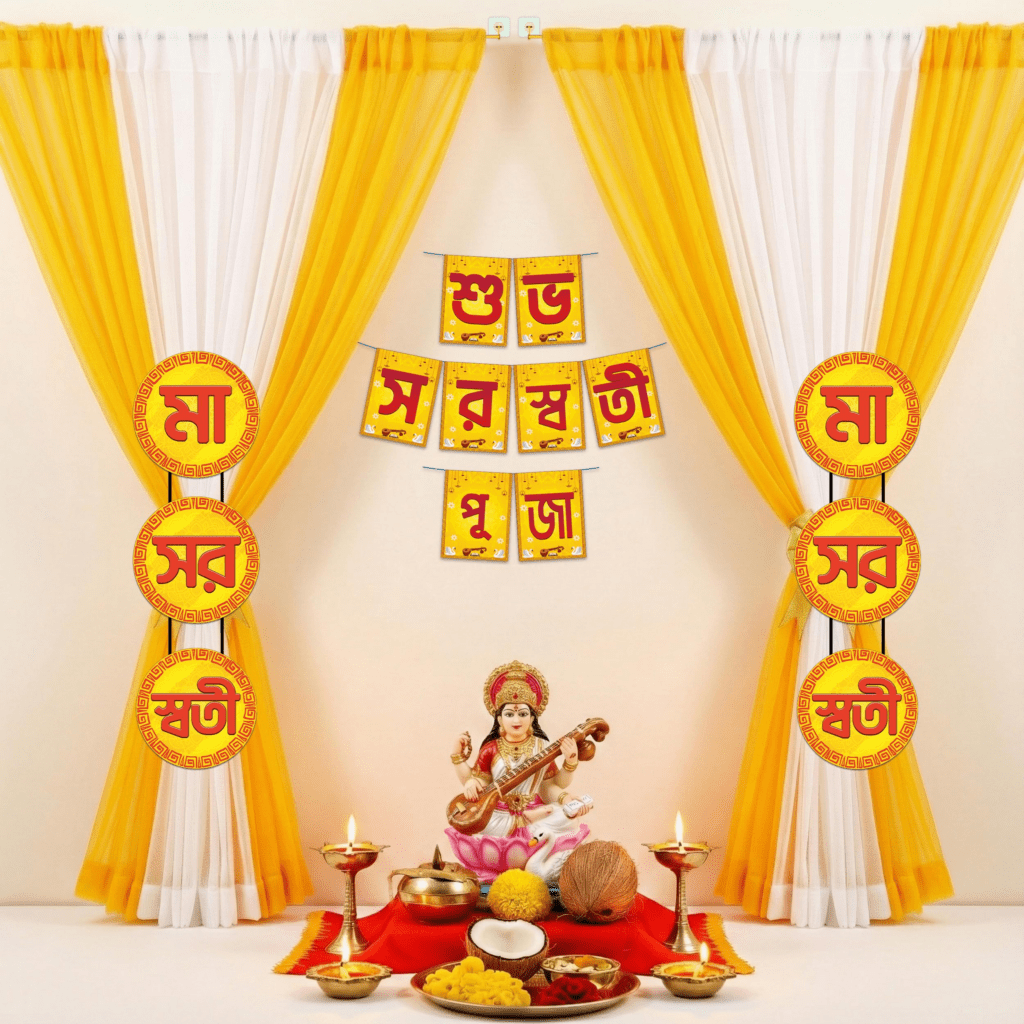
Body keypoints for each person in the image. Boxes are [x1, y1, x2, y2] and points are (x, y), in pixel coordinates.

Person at [445, 661, 592, 883]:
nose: (516, 720)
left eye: (523, 714)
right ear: (499, 718)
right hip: (498, 814)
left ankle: (525, 842)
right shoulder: (491, 748)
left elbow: (549, 787)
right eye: (510, 714)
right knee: (475, 828)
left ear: (533, 718)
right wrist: (462, 767)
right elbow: (478, 786)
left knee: (567, 820)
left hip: (536, 814)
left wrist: (569, 769)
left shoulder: (542, 748)